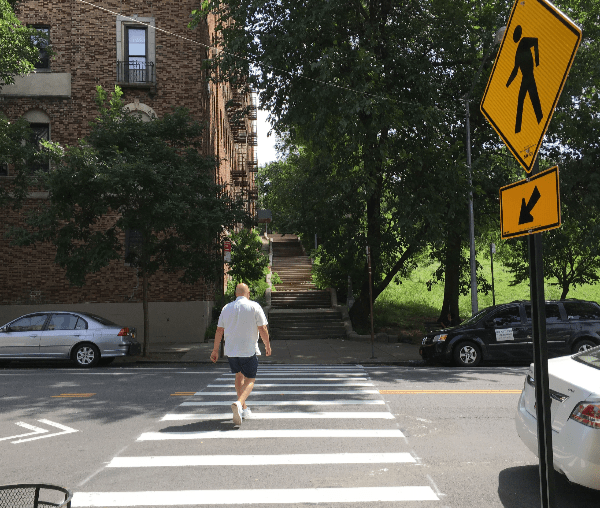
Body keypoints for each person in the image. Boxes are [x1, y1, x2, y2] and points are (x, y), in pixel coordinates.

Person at [210, 282, 271, 426]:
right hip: (248, 350)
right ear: (248, 293)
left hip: (231, 351)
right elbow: (262, 328)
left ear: (236, 294)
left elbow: (219, 330)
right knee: (250, 379)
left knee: (239, 375)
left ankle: (243, 408)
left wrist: (214, 350)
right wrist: (267, 345)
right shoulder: (254, 306)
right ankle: (239, 403)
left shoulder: (226, 308)